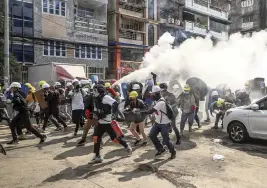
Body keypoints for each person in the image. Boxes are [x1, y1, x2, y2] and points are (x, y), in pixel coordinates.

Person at [90, 84, 132, 163]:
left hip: (108, 122)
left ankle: (126, 144)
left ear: (100, 90)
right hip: (100, 122)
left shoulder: (106, 97)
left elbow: (115, 103)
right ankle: (97, 156)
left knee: (115, 139)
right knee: (96, 138)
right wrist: (94, 116)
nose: (93, 92)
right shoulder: (95, 98)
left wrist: (113, 114)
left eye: (95, 90)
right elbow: (95, 109)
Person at [142, 85, 176, 159]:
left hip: (165, 124)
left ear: (157, 94)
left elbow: (151, 111)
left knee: (166, 140)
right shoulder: (157, 100)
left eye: (152, 94)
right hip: (158, 123)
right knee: (151, 135)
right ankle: (161, 149)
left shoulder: (161, 103)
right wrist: (154, 78)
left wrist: (140, 111)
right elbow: (155, 86)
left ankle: (173, 151)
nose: (151, 96)